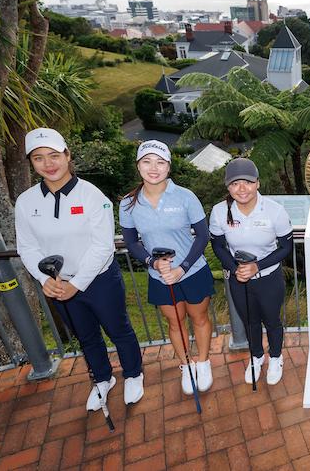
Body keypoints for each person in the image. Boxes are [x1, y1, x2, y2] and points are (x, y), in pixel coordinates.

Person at [15, 128, 143, 410]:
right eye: (38, 158)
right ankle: (102, 379)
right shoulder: (25, 202)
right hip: (59, 284)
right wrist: (44, 279)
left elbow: (102, 246)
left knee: (118, 329)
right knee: (85, 336)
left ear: (67, 155)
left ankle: (134, 374)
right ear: (32, 163)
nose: (48, 164)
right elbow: (27, 247)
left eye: (54, 155)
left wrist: (76, 284)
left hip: (100, 280)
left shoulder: (91, 195)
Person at [119, 140, 215, 394]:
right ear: (138, 165)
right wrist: (153, 262)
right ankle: (186, 365)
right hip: (160, 276)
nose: (154, 168)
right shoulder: (128, 204)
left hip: (192, 271)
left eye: (160, 162)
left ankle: (203, 362)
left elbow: (203, 236)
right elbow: (131, 241)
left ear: (169, 167)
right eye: (147, 161)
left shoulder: (185, 196)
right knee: (175, 323)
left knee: (199, 318)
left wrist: (182, 268)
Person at [209, 158, 293, 385]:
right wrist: (235, 268)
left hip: (269, 278)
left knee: (272, 321)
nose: (242, 188)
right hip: (239, 279)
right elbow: (218, 246)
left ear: (258, 183)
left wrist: (258, 266)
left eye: (247, 182)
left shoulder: (275, 211)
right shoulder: (219, 212)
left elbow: (286, 247)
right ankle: (256, 357)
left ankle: (275, 357)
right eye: (235, 183)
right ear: (228, 187)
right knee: (250, 322)